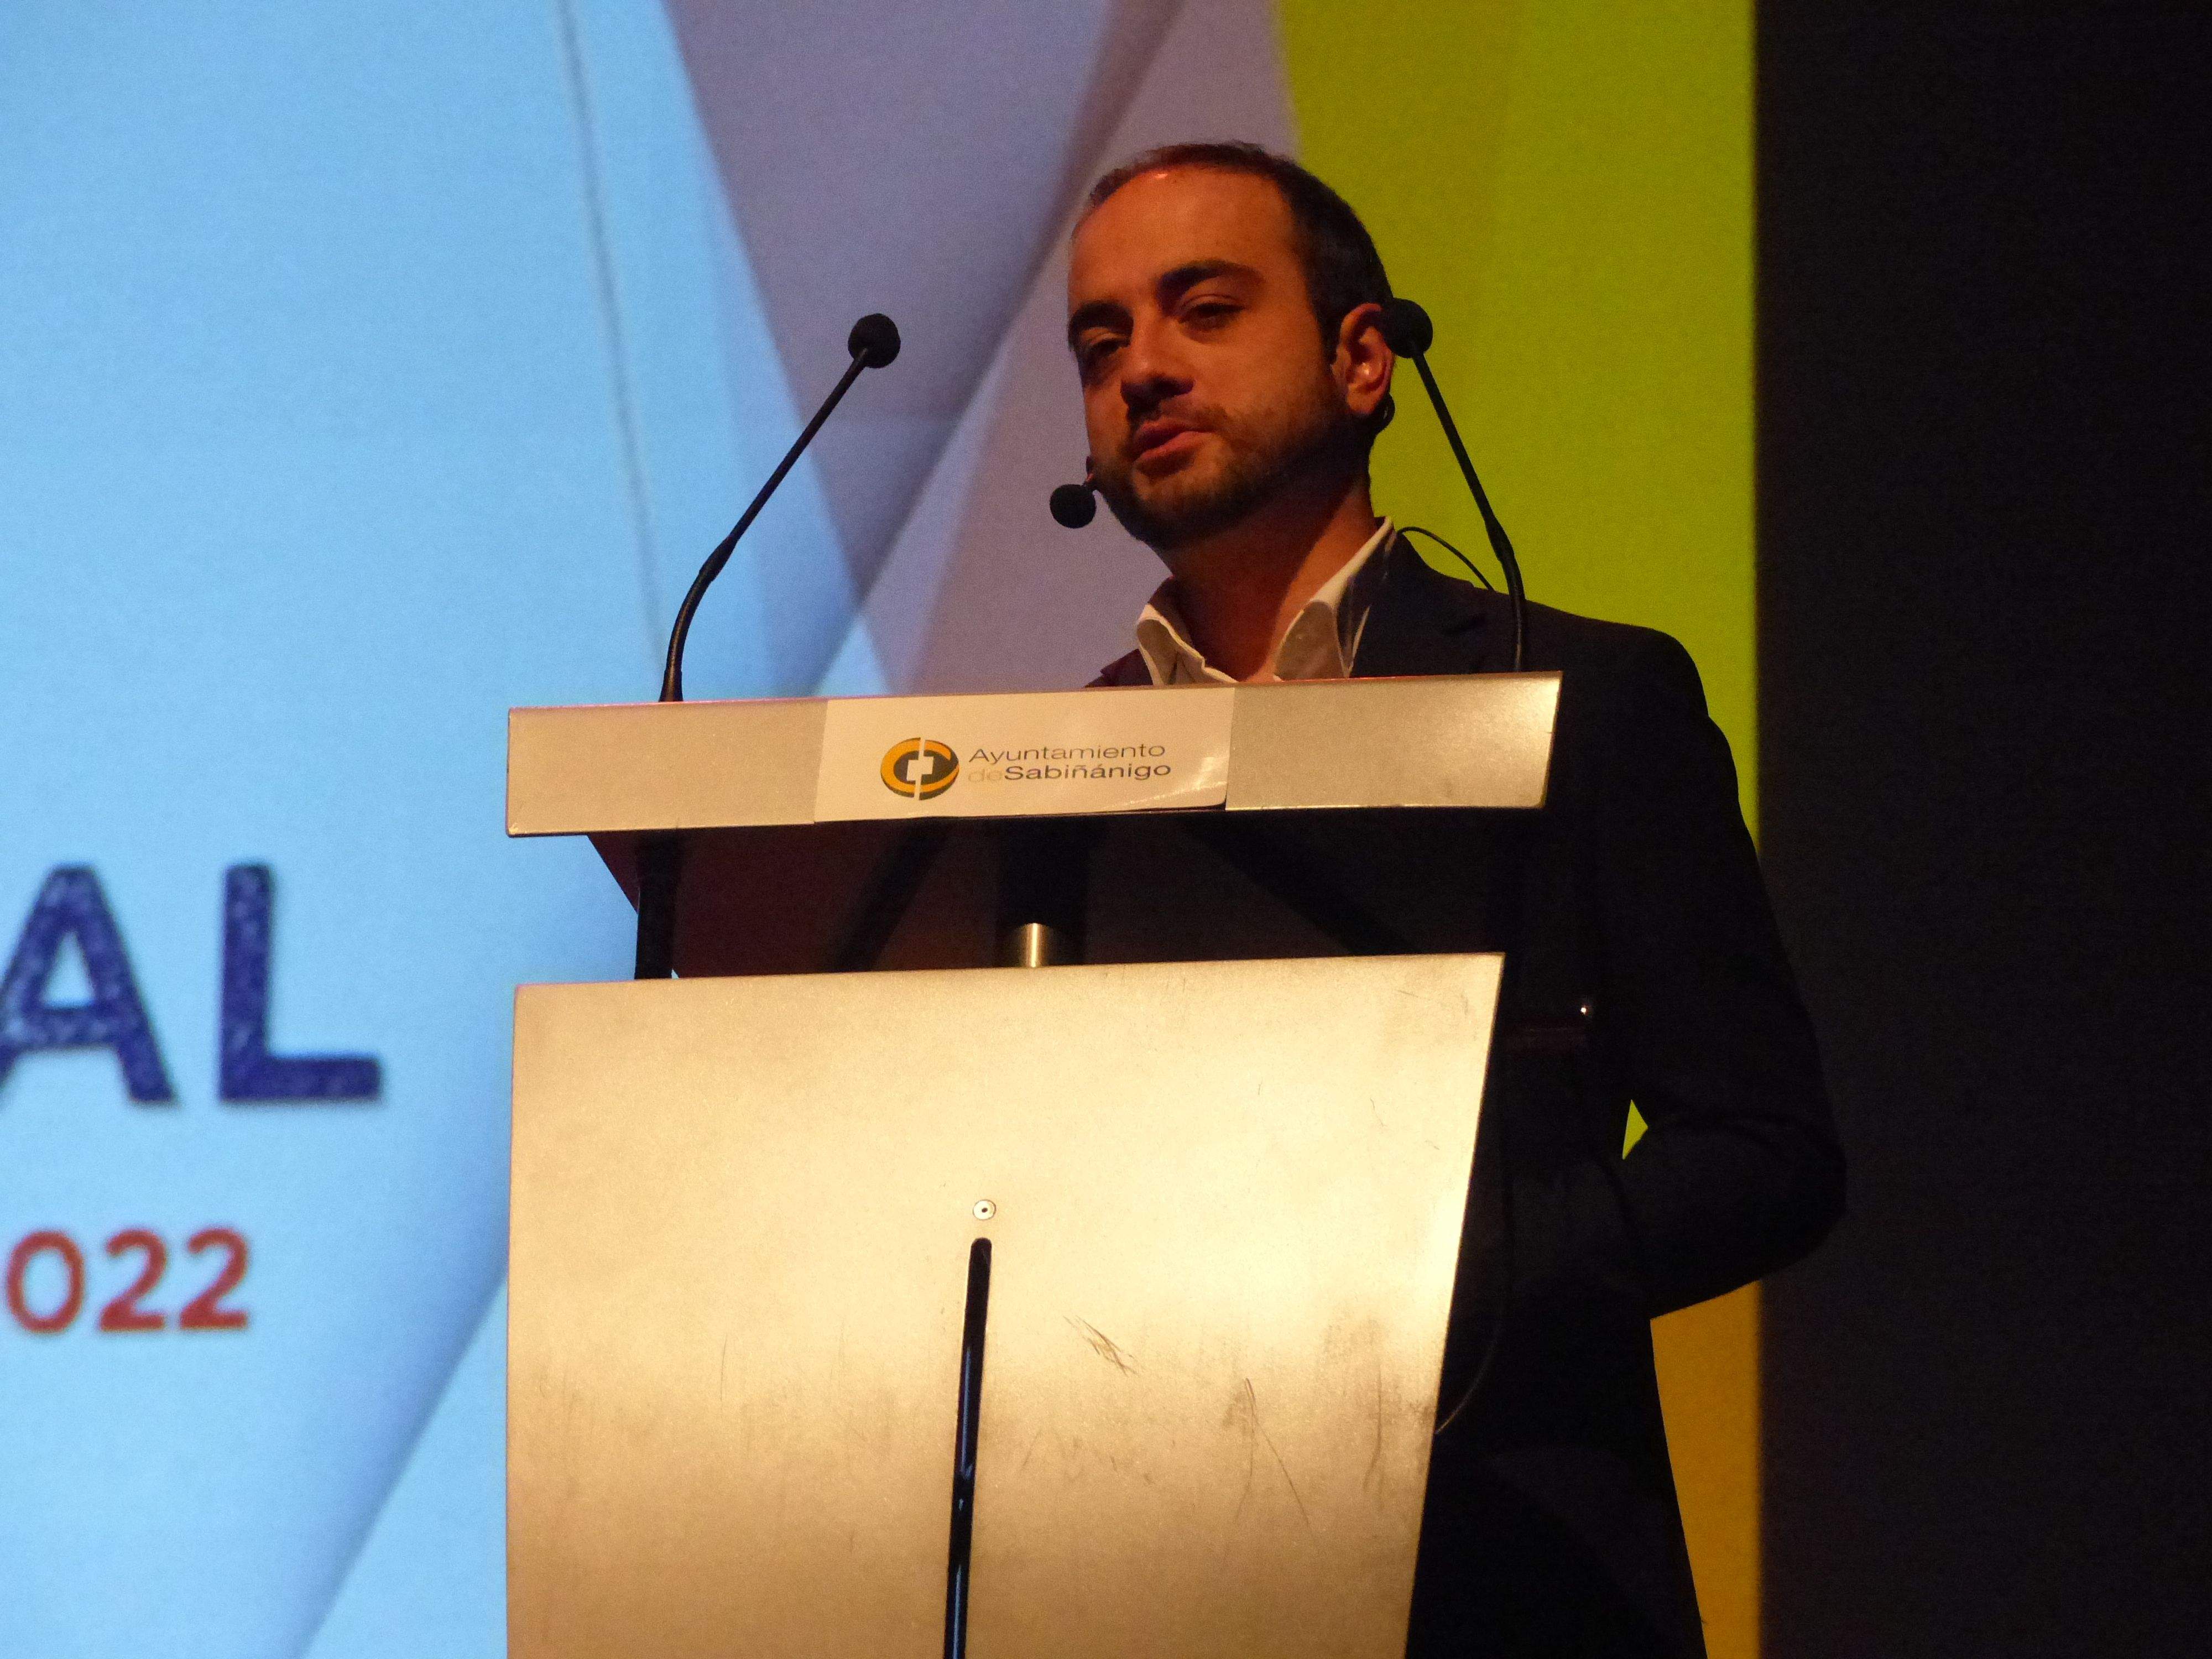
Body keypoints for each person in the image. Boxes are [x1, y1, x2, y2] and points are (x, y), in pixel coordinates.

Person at [1066, 141, 1844, 1657]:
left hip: (1514, 1577)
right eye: (1102, 344)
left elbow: (1765, 1154)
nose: (1143, 367)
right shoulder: (1054, 771)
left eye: (1204, 310)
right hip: (1145, 1580)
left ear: (1365, 361)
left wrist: (1442, 1277)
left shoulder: (1587, 703)